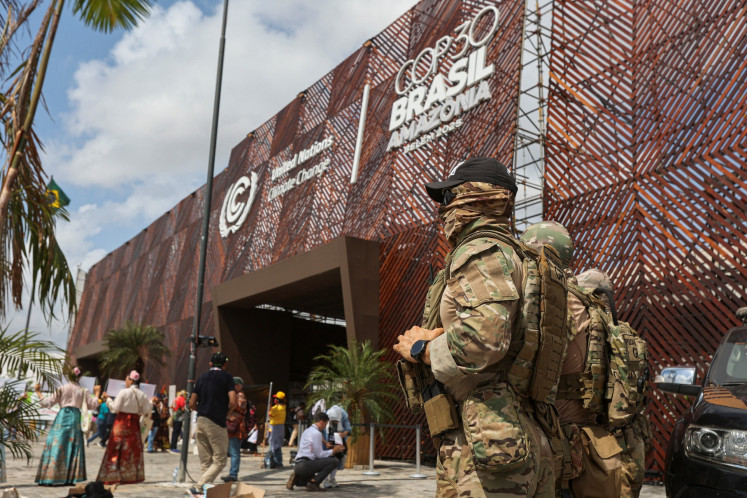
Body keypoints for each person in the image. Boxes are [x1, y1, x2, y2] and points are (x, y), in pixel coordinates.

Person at [393, 157, 560, 497]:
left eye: (447, 197)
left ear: (470, 196)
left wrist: (421, 348)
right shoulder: (525, 259)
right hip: (518, 434)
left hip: (487, 443)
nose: (444, 209)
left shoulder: (481, 251)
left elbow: (485, 339)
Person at [34, 366, 98, 486]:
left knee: (56, 444)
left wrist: (38, 392)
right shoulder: (84, 390)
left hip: (63, 417)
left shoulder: (62, 388)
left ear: (68, 376)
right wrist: (97, 394)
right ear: (80, 377)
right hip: (75, 418)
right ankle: (69, 478)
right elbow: (92, 405)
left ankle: (51, 477)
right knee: (73, 445)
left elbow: (47, 403)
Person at [189, 352, 237, 496]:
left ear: (210, 364)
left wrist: (202, 410)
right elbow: (233, 401)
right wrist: (227, 413)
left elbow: (191, 403)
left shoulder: (202, 377)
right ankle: (198, 487)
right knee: (220, 460)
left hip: (201, 420)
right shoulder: (227, 377)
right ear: (225, 365)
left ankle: (205, 493)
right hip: (216, 421)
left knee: (206, 462)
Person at [97, 370, 152, 484]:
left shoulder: (123, 392)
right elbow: (146, 409)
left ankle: (112, 475)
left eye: (126, 379)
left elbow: (115, 408)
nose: (125, 381)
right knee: (131, 449)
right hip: (134, 424)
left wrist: (107, 399)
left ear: (131, 380)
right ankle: (129, 476)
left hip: (121, 422)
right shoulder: (142, 394)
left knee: (116, 447)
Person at [285, 411, 346, 492]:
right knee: (334, 461)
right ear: (321, 422)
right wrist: (333, 451)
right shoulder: (316, 433)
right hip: (305, 465)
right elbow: (320, 455)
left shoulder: (308, 430)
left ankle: (298, 479)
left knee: (304, 483)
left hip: (299, 464)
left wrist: (327, 445)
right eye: (325, 424)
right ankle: (314, 483)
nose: (325, 427)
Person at [222, 377, 247, 482]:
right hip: (230, 425)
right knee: (231, 451)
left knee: (234, 451)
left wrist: (229, 411)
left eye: (236, 385)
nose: (234, 386)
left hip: (236, 426)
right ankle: (232, 473)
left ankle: (233, 474)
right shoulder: (233, 394)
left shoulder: (240, 395)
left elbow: (238, 407)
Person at [323, 404, 350, 488]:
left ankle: (332, 479)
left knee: (336, 459)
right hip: (327, 439)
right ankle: (325, 480)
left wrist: (344, 433)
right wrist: (325, 443)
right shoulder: (324, 414)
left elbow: (348, 428)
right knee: (326, 460)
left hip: (338, 439)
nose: (335, 423)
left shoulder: (344, 414)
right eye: (332, 421)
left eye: (336, 421)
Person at [268, 390, 287, 468]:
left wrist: (270, 405)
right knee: (277, 445)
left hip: (275, 427)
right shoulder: (283, 407)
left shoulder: (277, 408)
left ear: (277, 400)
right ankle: (278, 461)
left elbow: (270, 414)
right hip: (280, 427)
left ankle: (277, 462)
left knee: (274, 444)